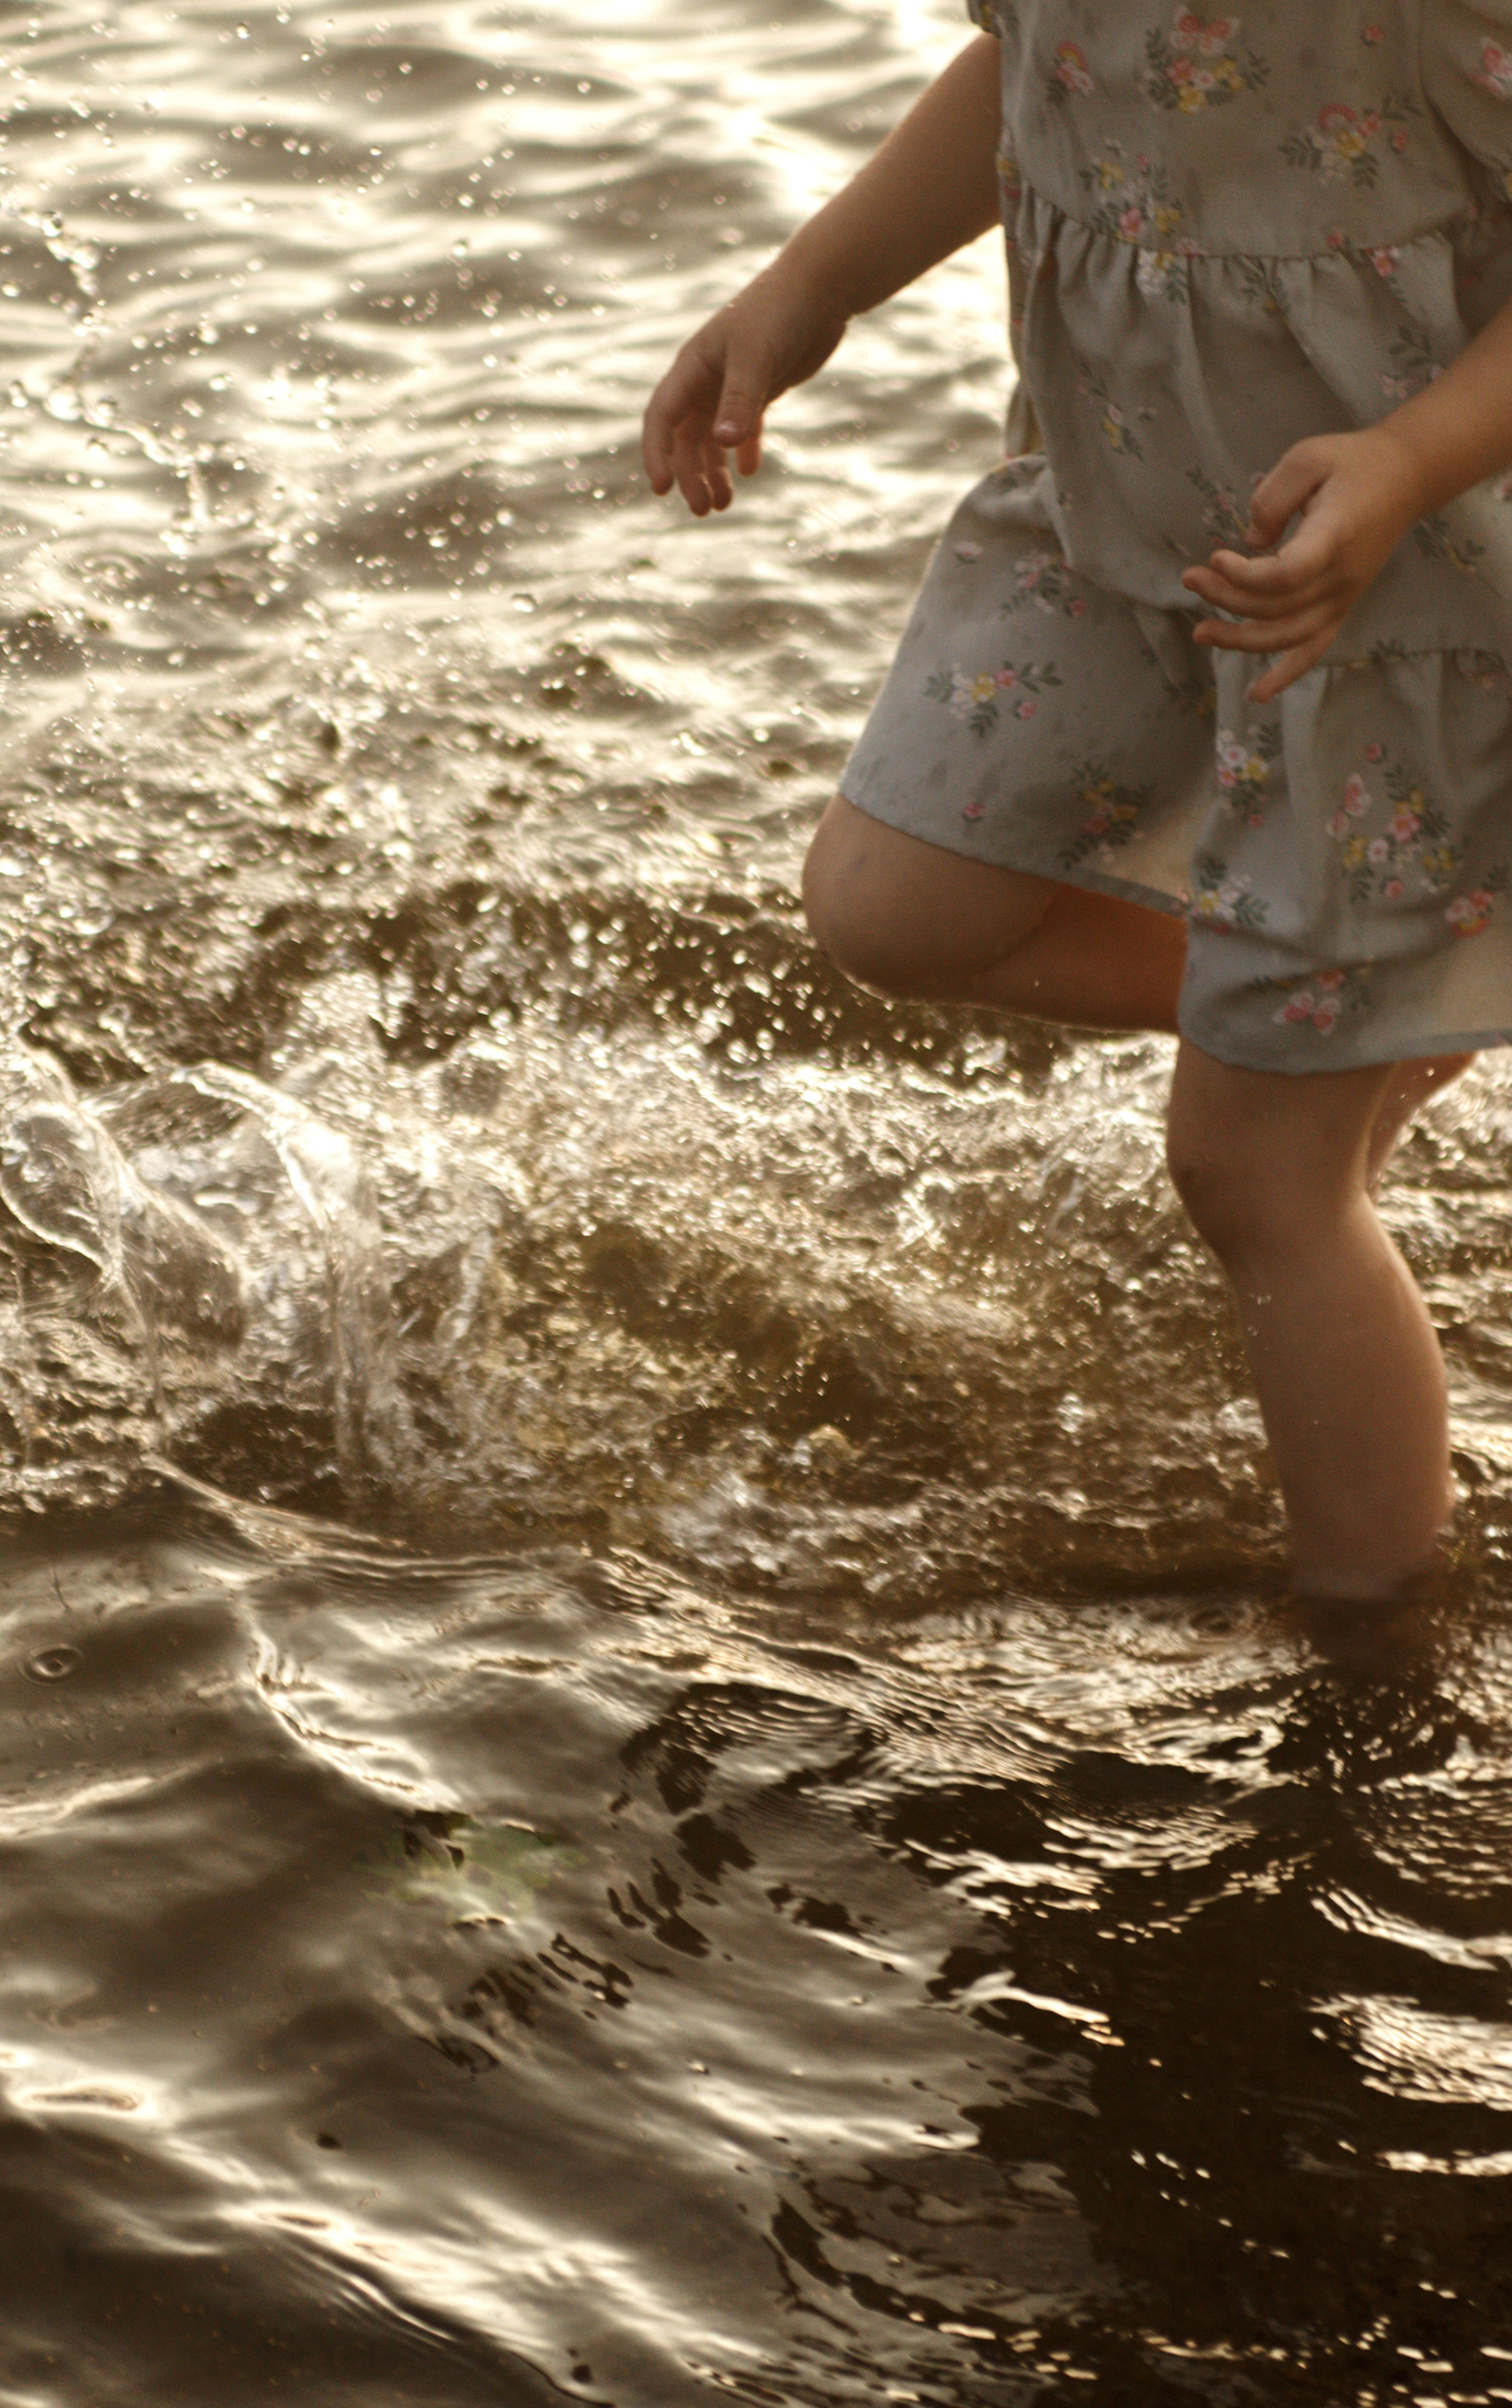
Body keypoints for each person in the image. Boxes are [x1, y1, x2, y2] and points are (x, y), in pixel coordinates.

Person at [642, 0, 1512, 1600]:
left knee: (1251, 1174)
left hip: (1407, 577)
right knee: (888, 905)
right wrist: (801, 289)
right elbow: (1015, 66)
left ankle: (1375, 1635)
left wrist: (1403, 460)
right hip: (1111, 517)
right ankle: (1366, 996)